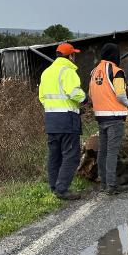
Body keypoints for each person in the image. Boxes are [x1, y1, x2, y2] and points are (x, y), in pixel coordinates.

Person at [38, 42, 86, 200]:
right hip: (67, 119)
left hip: (51, 119)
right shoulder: (69, 71)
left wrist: (53, 108)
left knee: (55, 155)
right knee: (71, 155)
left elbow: (42, 97)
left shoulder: (46, 72)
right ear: (70, 56)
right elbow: (73, 92)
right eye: (74, 55)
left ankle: (54, 186)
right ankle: (62, 189)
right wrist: (85, 98)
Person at [89, 43, 128, 195]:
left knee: (103, 151)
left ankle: (104, 182)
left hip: (100, 117)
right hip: (114, 117)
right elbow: (120, 94)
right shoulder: (116, 71)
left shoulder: (94, 71)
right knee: (112, 152)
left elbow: (91, 94)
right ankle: (112, 185)